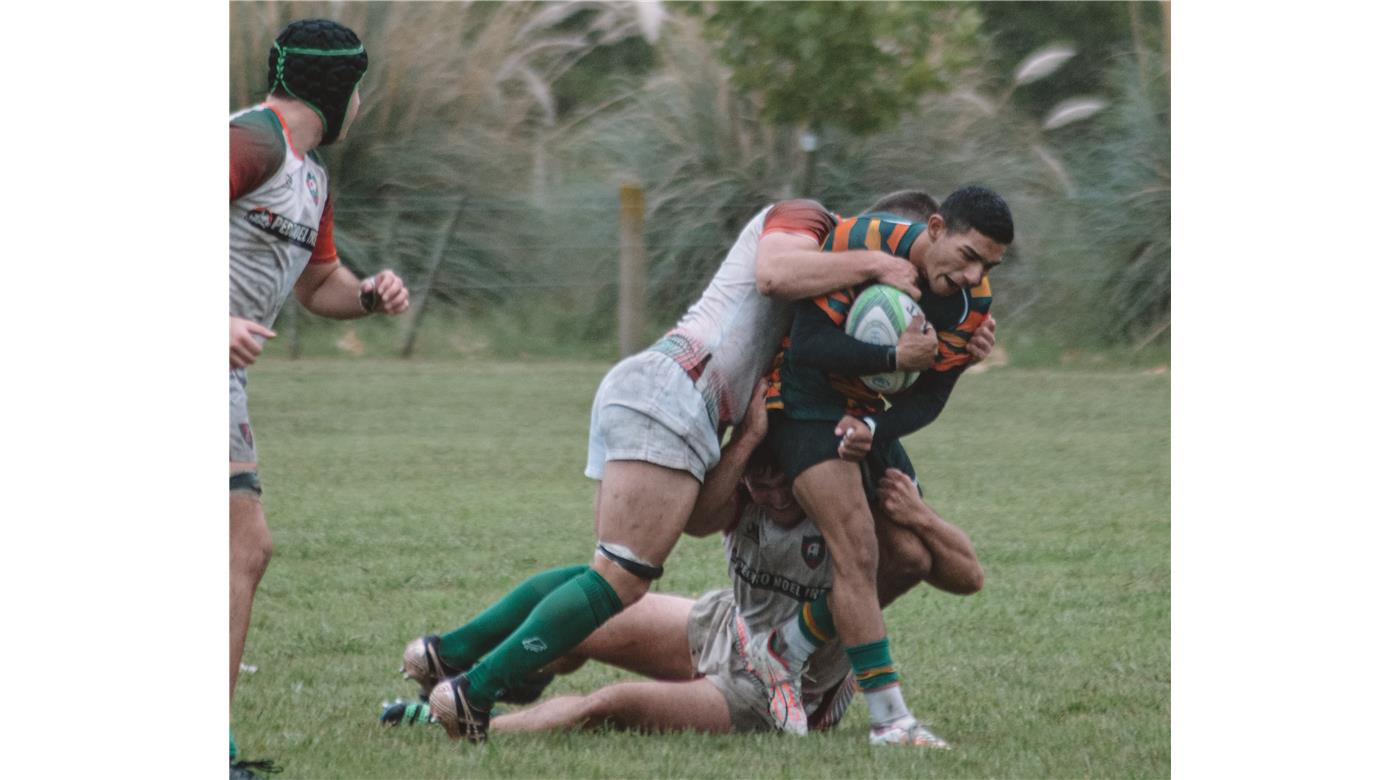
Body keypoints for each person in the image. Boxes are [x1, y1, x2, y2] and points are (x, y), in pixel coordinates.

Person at [398, 192, 983, 742]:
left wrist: (957, 347)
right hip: (681, 396)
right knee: (614, 583)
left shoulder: (846, 431)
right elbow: (776, 276)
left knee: (603, 607)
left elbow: (938, 562)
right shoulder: (813, 237)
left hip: (658, 393)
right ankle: (468, 687)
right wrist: (751, 439)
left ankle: (449, 674)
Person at [381, 383, 983, 739]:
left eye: (784, 488)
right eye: (760, 484)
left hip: (783, 690)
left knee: (606, 707)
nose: (771, 498)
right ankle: (497, 676)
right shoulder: (743, 490)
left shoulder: (845, 513)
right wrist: (746, 440)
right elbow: (696, 522)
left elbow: (965, 576)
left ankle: (444, 719)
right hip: (725, 625)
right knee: (577, 623)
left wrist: (921, 515)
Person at [741, 186, 1013, 745]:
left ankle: (784, 647)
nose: (974, 273)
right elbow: (811, 346)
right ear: (936, 228)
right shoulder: (862, 243)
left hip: (865, 415)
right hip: (804, 401)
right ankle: (890, 721)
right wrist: (892, 358)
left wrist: (874, 428)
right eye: (968, 255)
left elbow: (930, 396)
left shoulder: (973, 305)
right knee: (858, 549)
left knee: (910, 556)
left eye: (989, 264)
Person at [229, 18, 410, 777]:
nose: (362, 104)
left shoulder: (310, 177)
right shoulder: (253, 141)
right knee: (240, 546)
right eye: (360, 89)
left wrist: (367, 294)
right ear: (338, 90)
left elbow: (317, 287)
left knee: (240, 547)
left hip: (223, 380)